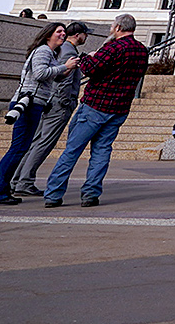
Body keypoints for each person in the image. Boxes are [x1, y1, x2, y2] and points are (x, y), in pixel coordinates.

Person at [42, 15, 150, 208]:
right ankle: (91, 193)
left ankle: (53, 194)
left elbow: (90, 69)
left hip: (96, 105)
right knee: (101, 151)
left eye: (112, 26)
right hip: (120, 108)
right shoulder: (142, 50)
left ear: (118, 27)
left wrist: (86, 57)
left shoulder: (114, 47)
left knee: (72, 150)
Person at [0, 23, 65, 205]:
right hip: (28, 103)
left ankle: (2, 190)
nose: (63, 34)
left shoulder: (50, 54)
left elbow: (52, 75)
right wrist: (63, 67)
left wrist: (67, 68)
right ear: (48, 35)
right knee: (18, 149)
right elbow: (39, 74)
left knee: (20, 148)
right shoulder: (43, 51)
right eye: (59, 31)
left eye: (64, 32)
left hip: (35, 103)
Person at [9, 21, 88, 198]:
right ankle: (24, 181)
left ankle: (17, 180)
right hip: (58, 103)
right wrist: (65, 101)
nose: (86, 37)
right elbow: (60, 80)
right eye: (59, 32)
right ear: (79, 35)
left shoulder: (59, 50)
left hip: (48, 101)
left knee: (35, 141)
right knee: (43, 143)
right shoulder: (67, 51)